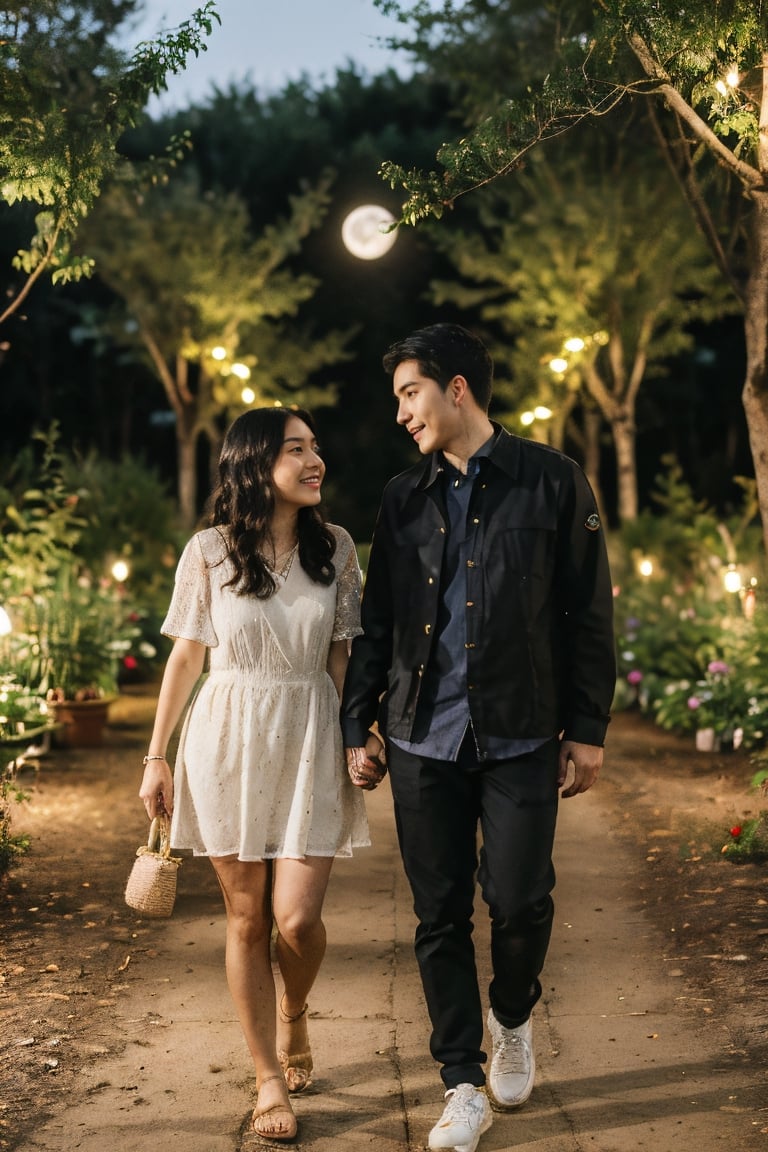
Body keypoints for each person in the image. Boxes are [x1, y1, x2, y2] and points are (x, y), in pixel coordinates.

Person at [342, 324, 616, 1152]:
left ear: (457, 388)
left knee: (519, 896)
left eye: (410, 393)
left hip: (524, 730)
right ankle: (461, 1081)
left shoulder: (554, 482)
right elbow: (379, 619)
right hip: (424, 735)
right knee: (438, 915)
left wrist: (589, 727)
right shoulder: (402, 496)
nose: (401, 413)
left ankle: (512, 1017)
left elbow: (587, 611)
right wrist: (360, 721)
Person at [139, 407, 369, 1143]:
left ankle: (294, 1011)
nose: (315, 460)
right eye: (295, 449)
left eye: (315, 447)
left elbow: (343, 657)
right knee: (246, 919)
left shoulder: (336, 546)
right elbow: (186, 656)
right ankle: (269, 1075)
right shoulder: (207, 551)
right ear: (253, 464)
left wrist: (355, 734)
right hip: (228, 736)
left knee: (296, 922)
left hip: (309, 734)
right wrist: (157, 754)